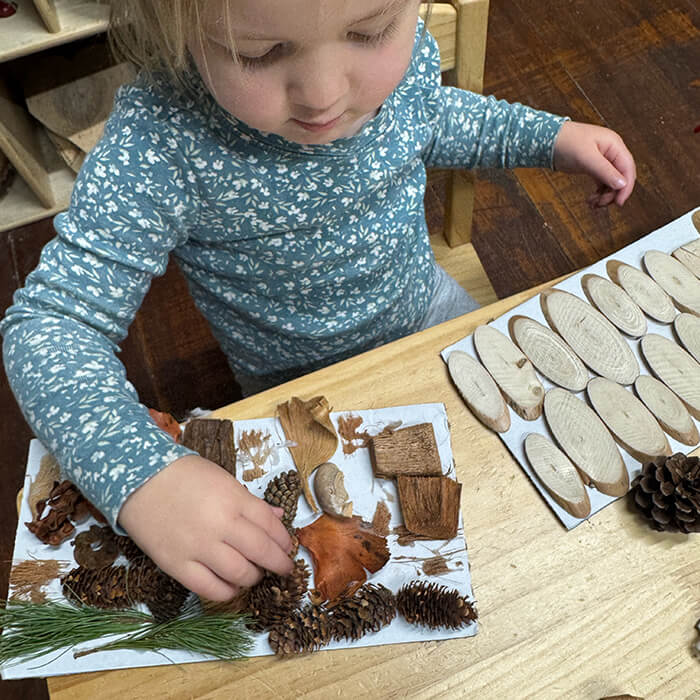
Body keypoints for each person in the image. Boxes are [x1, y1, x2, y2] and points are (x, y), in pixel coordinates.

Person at [1, 0, 636, 602]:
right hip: (299, 392)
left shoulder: (407, 54)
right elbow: (51, 323)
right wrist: (140, 475)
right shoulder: (161, 141)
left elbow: (436, 118)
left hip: (430, 316)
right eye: (258, 52)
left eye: (368, 32)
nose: (326, 93)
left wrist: (550, 137)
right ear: (179, 28)